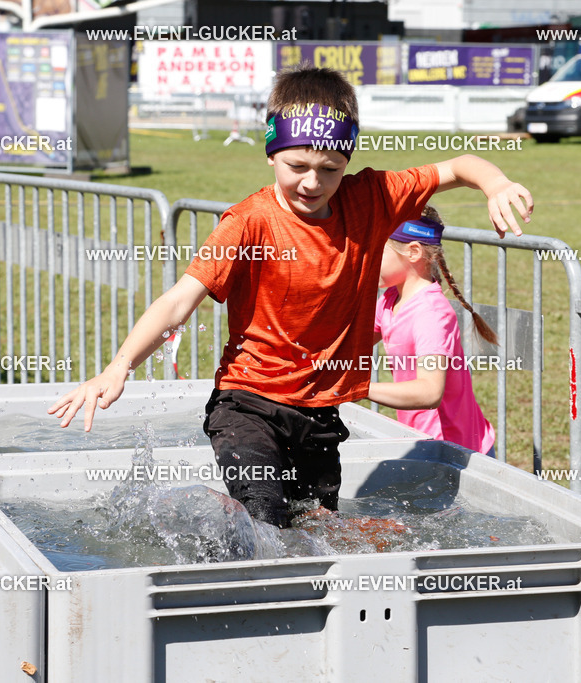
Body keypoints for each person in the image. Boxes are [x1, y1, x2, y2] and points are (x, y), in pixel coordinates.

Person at [48, 65, 534, 528]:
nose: (312, 182)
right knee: (265, 520)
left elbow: (460, 165)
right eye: (297, 165)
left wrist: (496, 183)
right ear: (271, 153)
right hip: (248, 403)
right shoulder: (248, 222)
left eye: (329, 168)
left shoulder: (370, 197)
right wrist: (120, 366)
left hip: (320, 415)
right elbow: (179, 300)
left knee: (314, 529)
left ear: (347, 160)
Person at [367, 208, 497, 457]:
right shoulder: (390, 299)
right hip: (422, 444)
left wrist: (357, 388)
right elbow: (350, 345)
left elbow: (429, 391)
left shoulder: (431, 314)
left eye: (375, 249)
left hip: (458, 454)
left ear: (413, 252)